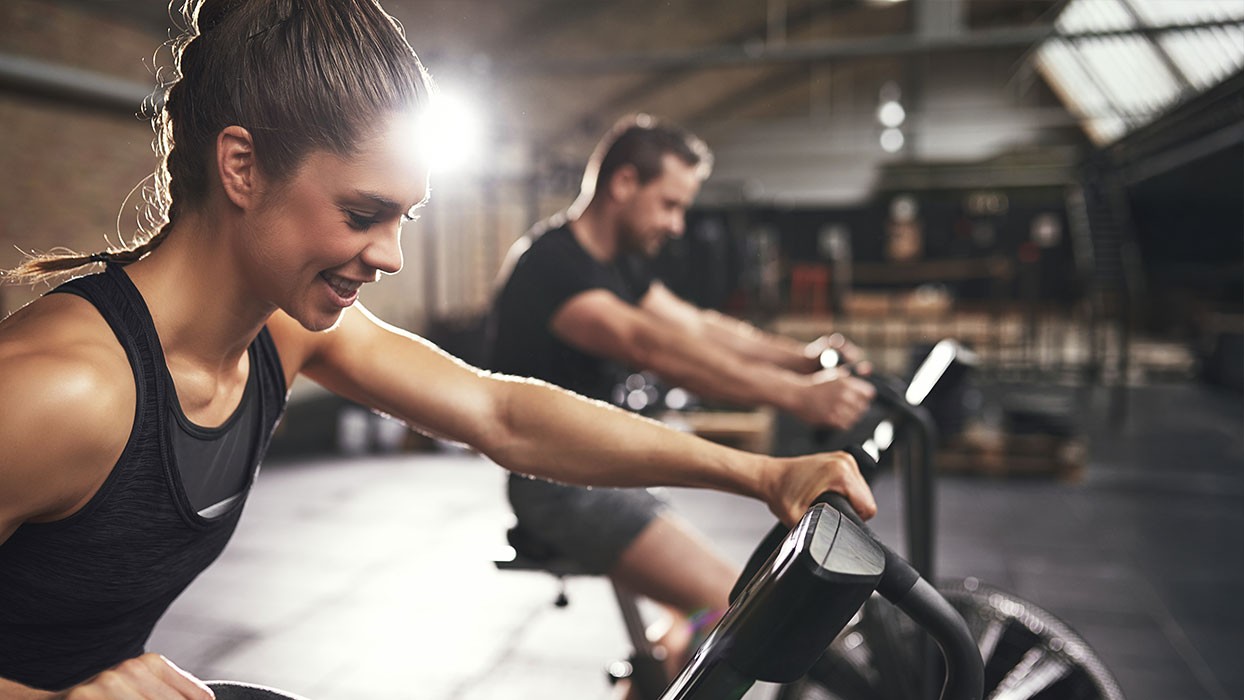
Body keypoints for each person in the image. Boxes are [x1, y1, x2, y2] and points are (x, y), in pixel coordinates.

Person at [0, 2, 876, 698]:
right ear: (241, 167)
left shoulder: (284, 332)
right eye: (361, 214)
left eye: (403, 220)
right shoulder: (62, 393)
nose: (390, 256)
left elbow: (500, 410)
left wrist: (765, 476)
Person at [485, 114, 877, 689]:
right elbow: (650, 344)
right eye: (668, 204)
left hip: (608, 474)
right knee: (731, 605)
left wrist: (801, 357)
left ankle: (651, 682)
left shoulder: (617, 264)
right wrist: (798, 396)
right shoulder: (550, 265)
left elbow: (698, 328)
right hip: (560, 489)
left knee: (698, 619)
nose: (676, 225)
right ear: (622, 184)